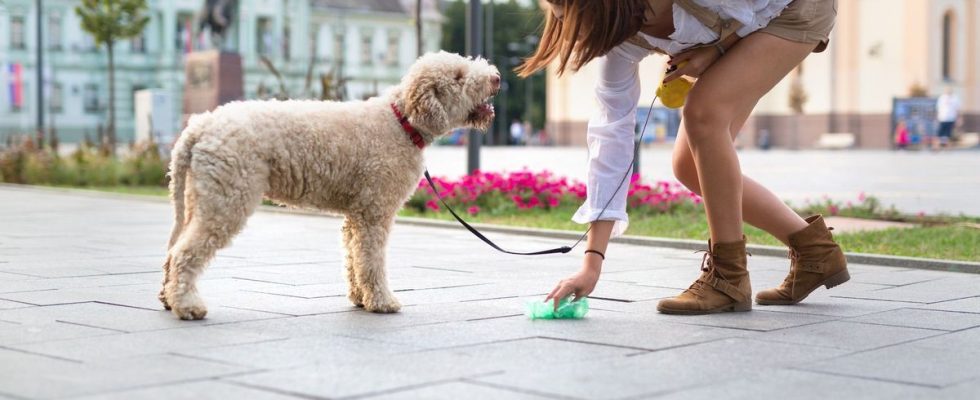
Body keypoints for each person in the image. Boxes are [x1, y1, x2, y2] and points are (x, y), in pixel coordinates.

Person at [517, 0, 849, 314]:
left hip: (793, 8)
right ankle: (816, 253)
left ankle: (728, 278)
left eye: (571, 15)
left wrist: (720, 47)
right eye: (559, 15)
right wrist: (591, 265)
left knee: (705, 111)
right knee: (688, 166)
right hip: (748, 22)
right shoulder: (618, 39)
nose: (570, 29)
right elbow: (610, 139)